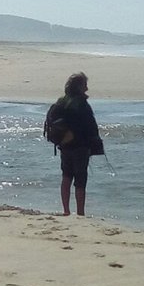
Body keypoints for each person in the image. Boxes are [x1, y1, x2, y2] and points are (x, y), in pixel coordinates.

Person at [52, 72, 102, 216]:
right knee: (81, 180)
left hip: (64, 145)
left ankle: (66, 211)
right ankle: (80, 212)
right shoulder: (81, 103)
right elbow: (90, 126)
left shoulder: (61, 101)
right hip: (80, 146)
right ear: (80, 86)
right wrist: (95, 145)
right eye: (85, 84)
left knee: (66, 176)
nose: (87, 87)